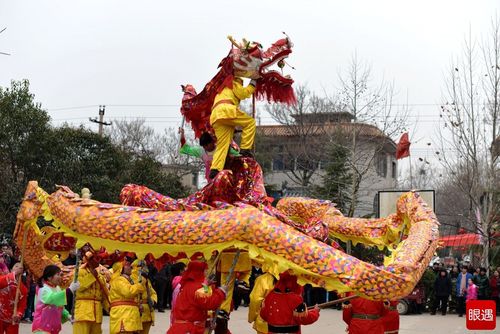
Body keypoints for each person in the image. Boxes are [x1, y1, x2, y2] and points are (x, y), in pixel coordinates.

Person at [209, 77, 257, 179]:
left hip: (215, 116)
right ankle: (245, 150)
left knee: (222, 145)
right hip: (226, 110)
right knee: (250, 122)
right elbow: (243, 93)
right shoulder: (233, 82)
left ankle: (215, 169)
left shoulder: (221, 89)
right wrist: (253, 83)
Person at [167, 260, 227, 334]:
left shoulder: (187, 285)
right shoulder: (197, 287)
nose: (206, 273)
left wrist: (207, 323)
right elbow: (209, 303)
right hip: (190, 329)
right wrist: (221, 292)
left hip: (182, 327)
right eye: (204, 271)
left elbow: (195, 308)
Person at [32, 264, 80, 334]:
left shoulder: (57, 288)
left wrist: (68, 316)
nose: (60, 277)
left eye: (60, 275)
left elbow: (60, 306)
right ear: (49, 277)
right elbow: (52, 299)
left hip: (53, 327)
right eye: (58, 274)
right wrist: (69, 290)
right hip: (41, 327)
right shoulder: (42, 288)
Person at [73, 251, 110, 334]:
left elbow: (104, 295)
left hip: (97, 314)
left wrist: (109, 307)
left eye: (98, 259)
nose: (96, 261)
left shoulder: (100, 275)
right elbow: (79, 287)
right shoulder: (79, 271)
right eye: (94, 259)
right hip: (83, 313)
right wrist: (92, 276)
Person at [108, 260, 145, 334]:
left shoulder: (128, 280)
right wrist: (139, 286)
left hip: (129, 314)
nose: (130, 267)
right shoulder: (118, 280)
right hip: (123, 313)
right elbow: (128, 292)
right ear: (121, 269)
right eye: (127, 265)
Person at [0, 263, 27, 334]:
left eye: (21, 268)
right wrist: (12, 276)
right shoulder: (4, 279)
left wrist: (18, 315)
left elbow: (22, 305)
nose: (19, 268)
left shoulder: (23, 289)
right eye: (16, 266)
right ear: (11, 270)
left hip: (12, 318)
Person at [133, 262, 157, 334]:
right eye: (143, 266)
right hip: (138, 311)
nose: (146, 268)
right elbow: (131, 293)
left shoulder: (147, 280)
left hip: (148, 312)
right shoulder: (133, 279)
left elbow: (153, 293)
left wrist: (153, 300)